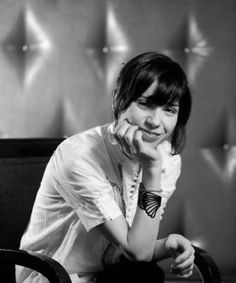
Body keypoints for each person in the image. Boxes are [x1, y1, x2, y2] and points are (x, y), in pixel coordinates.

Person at [16, 51, 194, 283]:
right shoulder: (79, 155)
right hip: (53, 276)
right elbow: (136, 252)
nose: (155, 121)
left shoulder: (166, 159)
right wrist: (151, 171)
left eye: (169, 110)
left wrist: (166, 244)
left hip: (110, 274)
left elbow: (137, 247)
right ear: (118, 99)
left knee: (144, 274)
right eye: (145, 104)